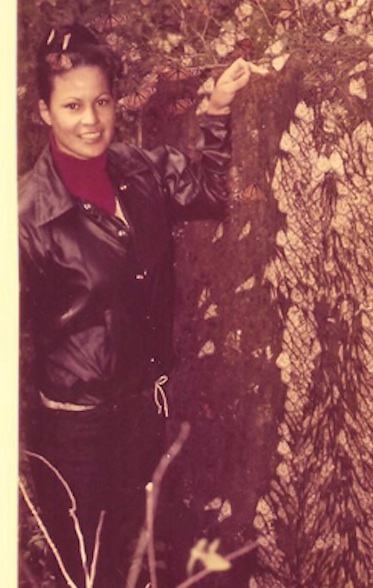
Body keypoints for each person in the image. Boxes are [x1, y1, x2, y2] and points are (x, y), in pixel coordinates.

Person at [19, 22, 251, 588]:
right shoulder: (25, 218)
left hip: (146, 417)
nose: (91, 119)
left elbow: (209, 193)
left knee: (146, 563)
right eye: (72, 105)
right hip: (76, 438)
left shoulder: (138, 170)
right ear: (44, 113)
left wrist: (216, 112)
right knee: (91, 571)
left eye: (101, 101)